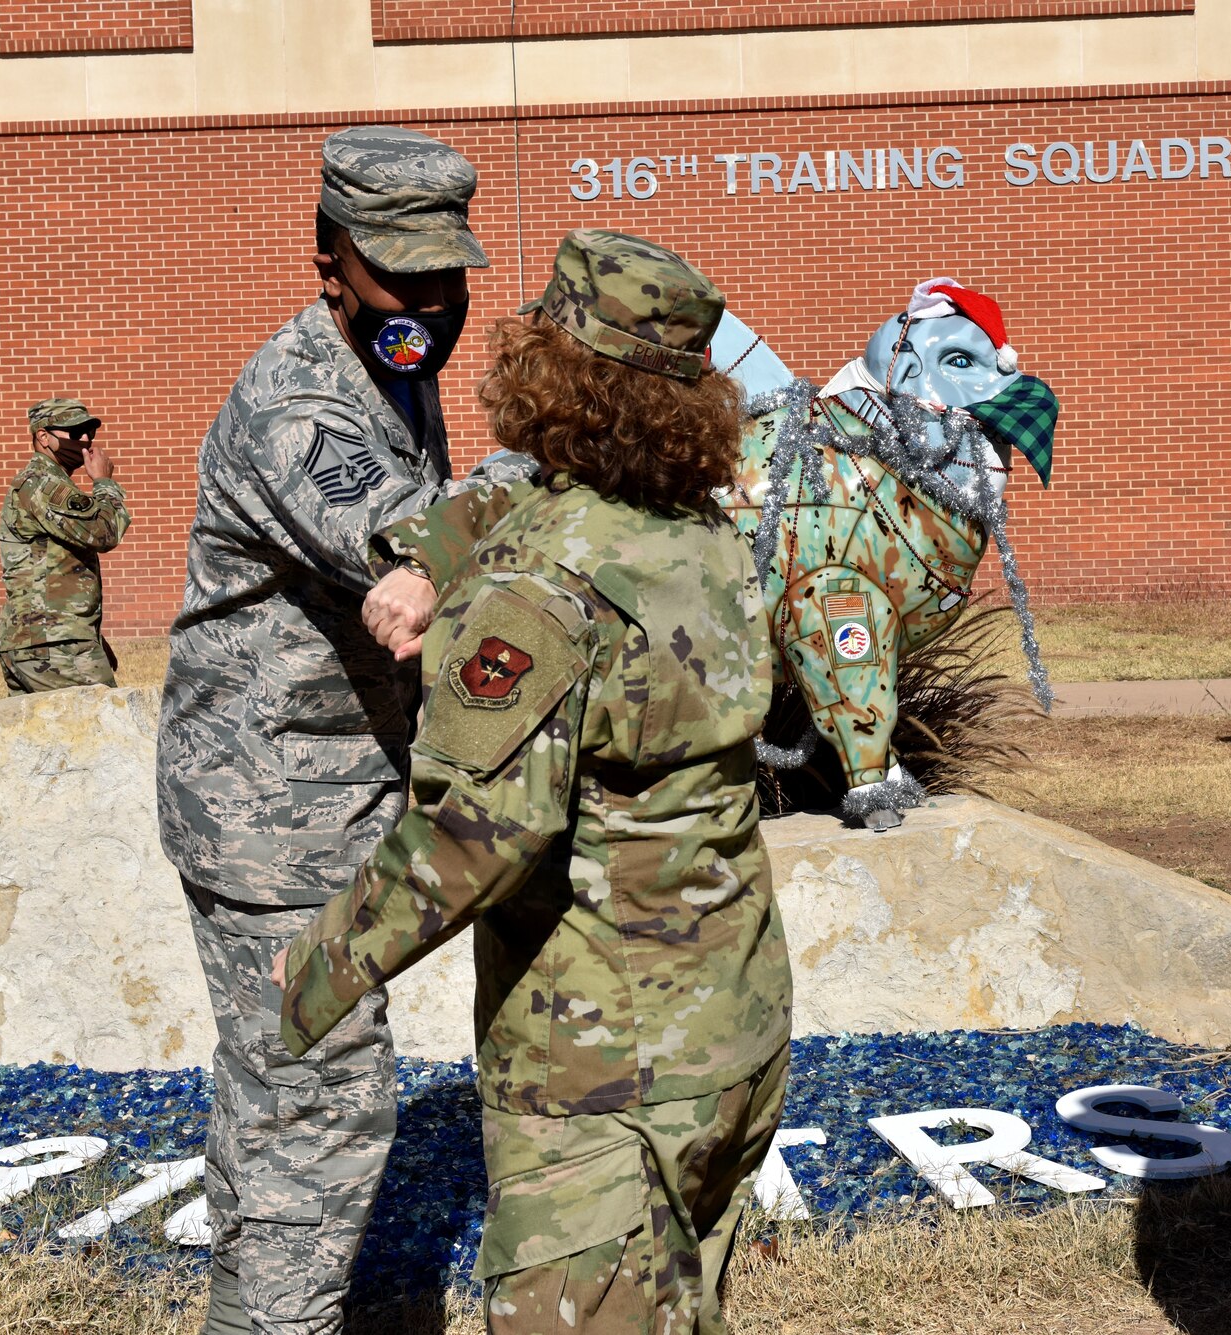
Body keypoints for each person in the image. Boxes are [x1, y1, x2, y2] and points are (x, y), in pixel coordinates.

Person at [276, 229, 791, 1335]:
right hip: (734, 1029)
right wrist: (426, 559)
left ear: (543, 374)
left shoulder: (533, 588)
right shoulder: (704, 538)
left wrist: (312, 970)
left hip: (598, 1065)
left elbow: (472, 841)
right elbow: (530, 504)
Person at [156, 125, 493, 1335]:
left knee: (276, 1085)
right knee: (318, 1099)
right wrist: (548, 470)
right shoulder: (301, 407)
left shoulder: (391, 362)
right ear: (326, 260)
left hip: (327, 787)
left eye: (446, 272)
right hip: (271, 813)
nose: (430, 301)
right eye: (398, 273)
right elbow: (412, 547)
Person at [0, 397, 129, 694]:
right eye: (75, 432)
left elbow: (54, 571)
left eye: (89, 433)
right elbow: (104, 533)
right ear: (44, 437)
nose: (85, 440)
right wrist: (104, 483)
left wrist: (92, 638)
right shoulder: (44, 484)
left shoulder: (47, 483)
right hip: (53, 644)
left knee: (40, 741)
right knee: (105, 731)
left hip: (45, 640)